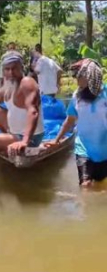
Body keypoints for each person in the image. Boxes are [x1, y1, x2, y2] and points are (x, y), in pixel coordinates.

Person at [46, 59, 107, 188]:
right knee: (85, 185)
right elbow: (70, 120)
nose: (76, 79)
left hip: (104, 149)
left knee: (100, 183)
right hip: (83, 147)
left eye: (79, 76)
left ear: (91, 77)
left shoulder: (105, 94)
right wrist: (56, 140)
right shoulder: (77, 96)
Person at [0, 51, 45, 156]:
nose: (11, 73)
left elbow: (33, 112)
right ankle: (7, 138)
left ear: (21, 68)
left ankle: (17, 144)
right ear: (4, 71)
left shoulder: (27, 83)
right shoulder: (7, 87)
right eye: (7, 69)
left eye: (14, 68)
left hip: (30, 137)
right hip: (14, 132)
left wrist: (24, 141)